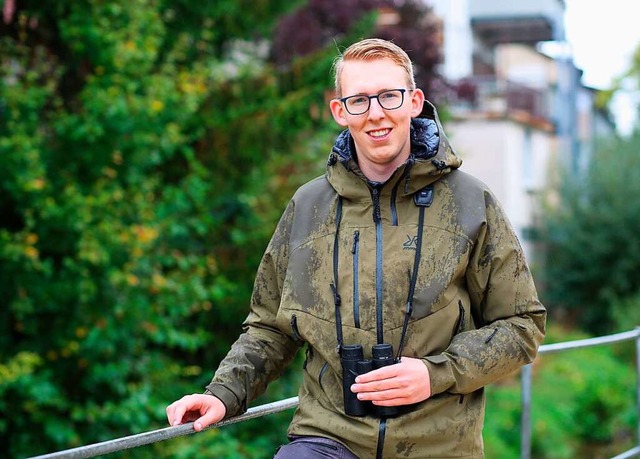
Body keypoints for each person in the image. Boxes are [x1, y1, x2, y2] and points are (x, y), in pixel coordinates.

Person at [166, 38, 546, 458]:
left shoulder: (472, 203)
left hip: (439, 446)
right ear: (340, 111)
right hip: (328, 439)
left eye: (389, 96)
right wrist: (223, 393)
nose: (376, 113)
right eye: (359, 100)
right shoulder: (307, 207)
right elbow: (271, 326)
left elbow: (522, 325)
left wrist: (434, 373)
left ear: (415, 102)